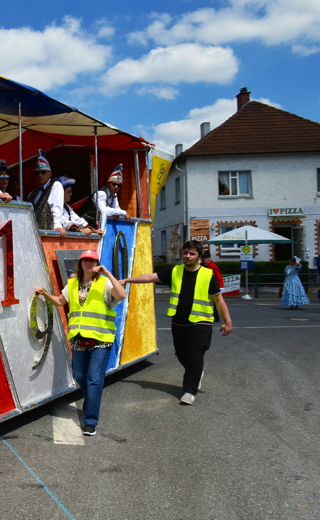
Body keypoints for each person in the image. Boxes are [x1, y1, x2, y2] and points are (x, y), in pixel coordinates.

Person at [121, 240, 232, 405]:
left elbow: (219, 300)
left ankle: (189, 392)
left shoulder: (207, 275)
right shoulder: (175, 271)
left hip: (201, 322)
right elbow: (151, 277)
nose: (188, 256)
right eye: (186, 252)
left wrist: (227, 322)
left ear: (199, 257)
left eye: (192, 253)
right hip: (179, 321)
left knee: (195, 355)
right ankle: (196, 372)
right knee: (181, 354)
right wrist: (127, 280)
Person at [35, 249, 125, 436]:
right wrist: (44, 293)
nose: (88, 263)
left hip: (101, 338)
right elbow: (60, 301)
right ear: (81, 262)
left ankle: (90, 421)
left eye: (92, 260)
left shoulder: (105, 283)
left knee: (94, 379)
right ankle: (91, 399)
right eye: (85, 260)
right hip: (78, 338)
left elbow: (122, 295)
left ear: (97, 263)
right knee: (79, 375)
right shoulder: (73, 283)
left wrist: (107, 272)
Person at [26, 150, 63, 231]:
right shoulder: (32, 193)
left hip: (49, 231)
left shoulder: (55, 186)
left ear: (50, 174)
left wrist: (57, 225)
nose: (40, 175)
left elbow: (56, 207)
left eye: (43, 172)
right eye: (37, 173)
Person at [200, 250, 224, 322]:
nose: (203, 260)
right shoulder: (206, 265)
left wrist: (220, 286)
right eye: (202, 258)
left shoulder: (212, 266)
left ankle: (216, 317)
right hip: (209, 286)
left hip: (214, 286)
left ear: (208, 258)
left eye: (204, 258)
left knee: (214, 302)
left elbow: (218, 276)